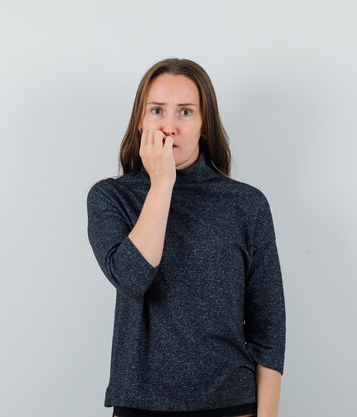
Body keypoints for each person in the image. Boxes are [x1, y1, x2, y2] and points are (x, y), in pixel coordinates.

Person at [86, 58, 286, 417]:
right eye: (158, 110)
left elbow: (268, 327)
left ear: (204, 124)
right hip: (140, 404)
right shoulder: (110, 198)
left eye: (185, 112)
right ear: (140, 121)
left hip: (229, 402)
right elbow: (133, 277)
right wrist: (162, 183)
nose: (170, 127)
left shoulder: (246, 205)